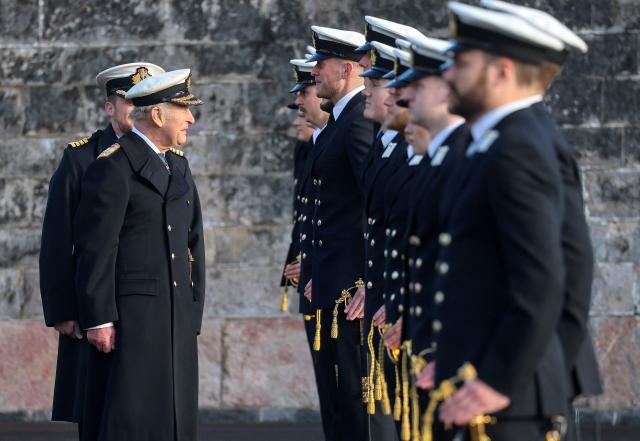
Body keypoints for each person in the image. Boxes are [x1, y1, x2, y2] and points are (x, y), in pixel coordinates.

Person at [431, 3, 570, 440]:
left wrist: (502, 377)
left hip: (502, 400)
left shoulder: (517, 148)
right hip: (483, 379)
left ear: (501, 72)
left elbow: (544, 278)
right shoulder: (496, 140)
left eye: (462, 63)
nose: (448, 74)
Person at [73, 69, 205, 441]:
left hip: (175, 313)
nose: (192, 118)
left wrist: (194, 306)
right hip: (132, 320)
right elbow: (96, 247)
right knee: (134, 418)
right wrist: (98, 318)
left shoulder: (176, 164)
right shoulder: (112, 167)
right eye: (184, 110)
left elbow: (193, 242)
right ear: (159, 116)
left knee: (175, 416)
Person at [39, 62, 164, 435]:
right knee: (97, 408)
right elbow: (59, 238)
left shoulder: (165, 159)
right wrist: (63, 309)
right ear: (110, 107)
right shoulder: (80, 157)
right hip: (92, 305)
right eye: (128, 100)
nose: (134, 107)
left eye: (143, 99)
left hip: (143, 306)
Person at [298, 25, 374, 441]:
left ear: (345, 69)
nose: (314, 73)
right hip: (331, 285)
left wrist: (370, 278)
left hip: (351, 291)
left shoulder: (358, 122)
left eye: (320, 65)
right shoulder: (340, 124)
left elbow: (375, 205)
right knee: (340, 403)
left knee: (357, 404)